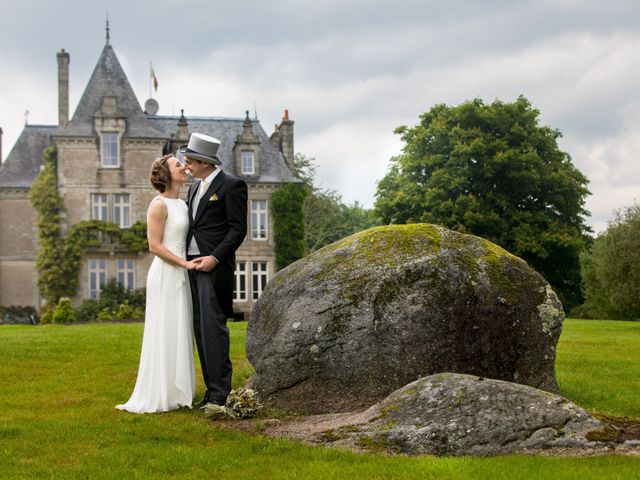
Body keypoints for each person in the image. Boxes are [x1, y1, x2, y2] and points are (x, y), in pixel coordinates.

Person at [116, 155, 197, 413]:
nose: (184, 167)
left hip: (182, 273)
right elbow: (155, 246)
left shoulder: (184, 204)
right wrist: (183, 264)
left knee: (180, 328)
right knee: (165, 328)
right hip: (166, 273)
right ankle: (160, 392)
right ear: (166, 173)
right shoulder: (158, 205)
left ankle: (178, 392)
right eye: (178, 165)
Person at [179, 133, 248, 410]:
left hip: (213, 267)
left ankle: (221, 392)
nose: (186, 166)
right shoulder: (194, 189)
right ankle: (210, 390)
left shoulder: (232, 186)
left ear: (205, 163)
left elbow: (238, 229)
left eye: (190, 161)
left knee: (212, 328)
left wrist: (215, 258)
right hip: (191, 265)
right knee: (199, 329)